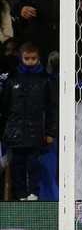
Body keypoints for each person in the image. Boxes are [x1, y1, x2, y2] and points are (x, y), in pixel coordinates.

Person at [0, 42, 57, 201]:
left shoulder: (46, 81)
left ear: (38, 58)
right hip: (14, 132)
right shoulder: (12, 80)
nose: (30, 61)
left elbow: (52, 108)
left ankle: (33, 194)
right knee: (17, 165)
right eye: (27, 58)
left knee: (34, 165)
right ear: (21, 58)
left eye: (33, 58)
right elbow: (5, 108)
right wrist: (4, 131)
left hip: (36, 132)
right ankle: (20, 196)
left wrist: (51, 131)